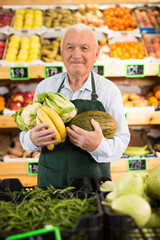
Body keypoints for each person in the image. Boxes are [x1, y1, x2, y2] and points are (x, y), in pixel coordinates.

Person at [20, 23, 130, 187]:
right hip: (50, 184)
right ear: (61, 52)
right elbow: (24, 137)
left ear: (96, 53)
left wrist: (98, 145)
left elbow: (121, 141)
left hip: (93, 184)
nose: (76, 54)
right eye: (70, 47)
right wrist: (32, 139)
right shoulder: (45, 88)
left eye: (84, 48)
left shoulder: (109, 91)